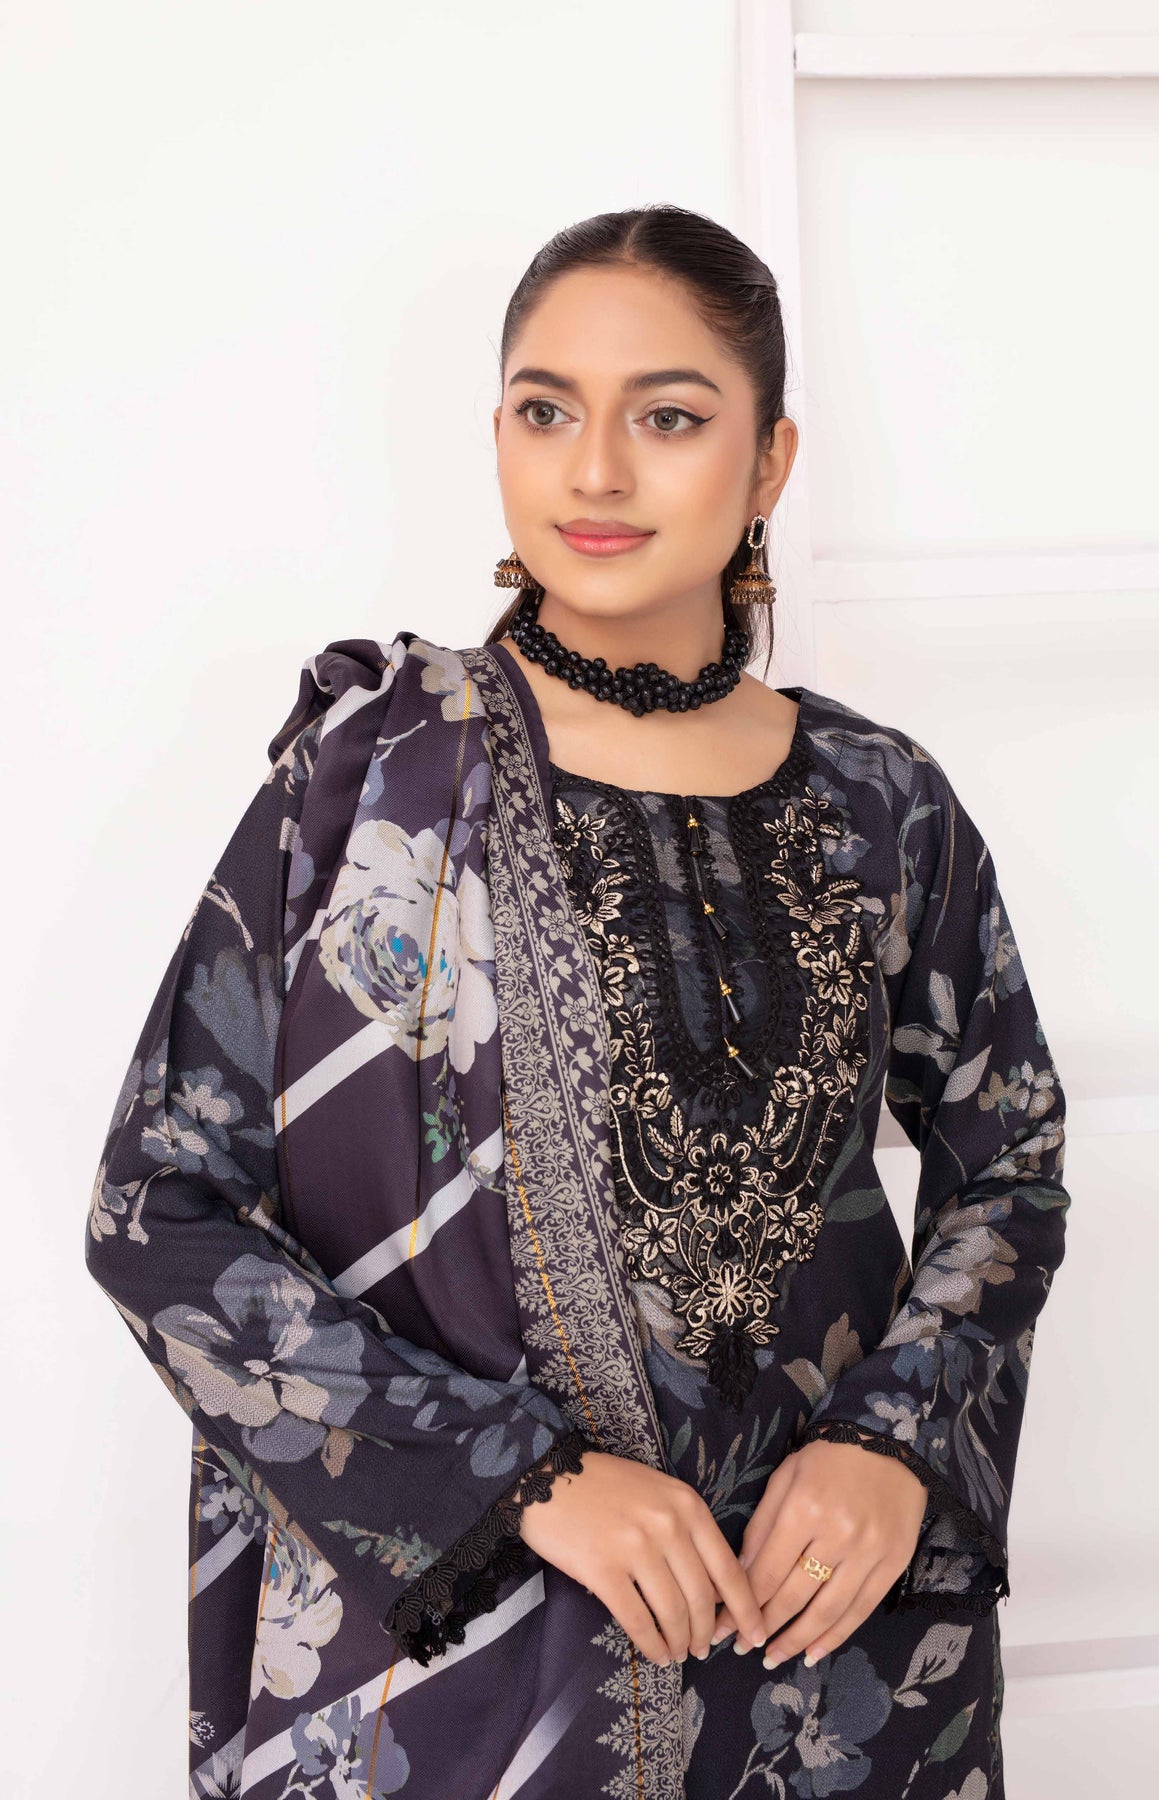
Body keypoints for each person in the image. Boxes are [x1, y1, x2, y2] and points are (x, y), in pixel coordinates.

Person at [85, 205, 1069, 1800]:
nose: (595, 471)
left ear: (769, 461)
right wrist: (521, 1484)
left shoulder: (881, 799)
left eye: (667, 418)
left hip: (835, 1665)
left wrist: (894, 1443)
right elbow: (158, 1211)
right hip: (468, 1666)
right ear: (498, 436)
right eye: (547, 412)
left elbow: (1006, 1162)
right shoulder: (370, 782)